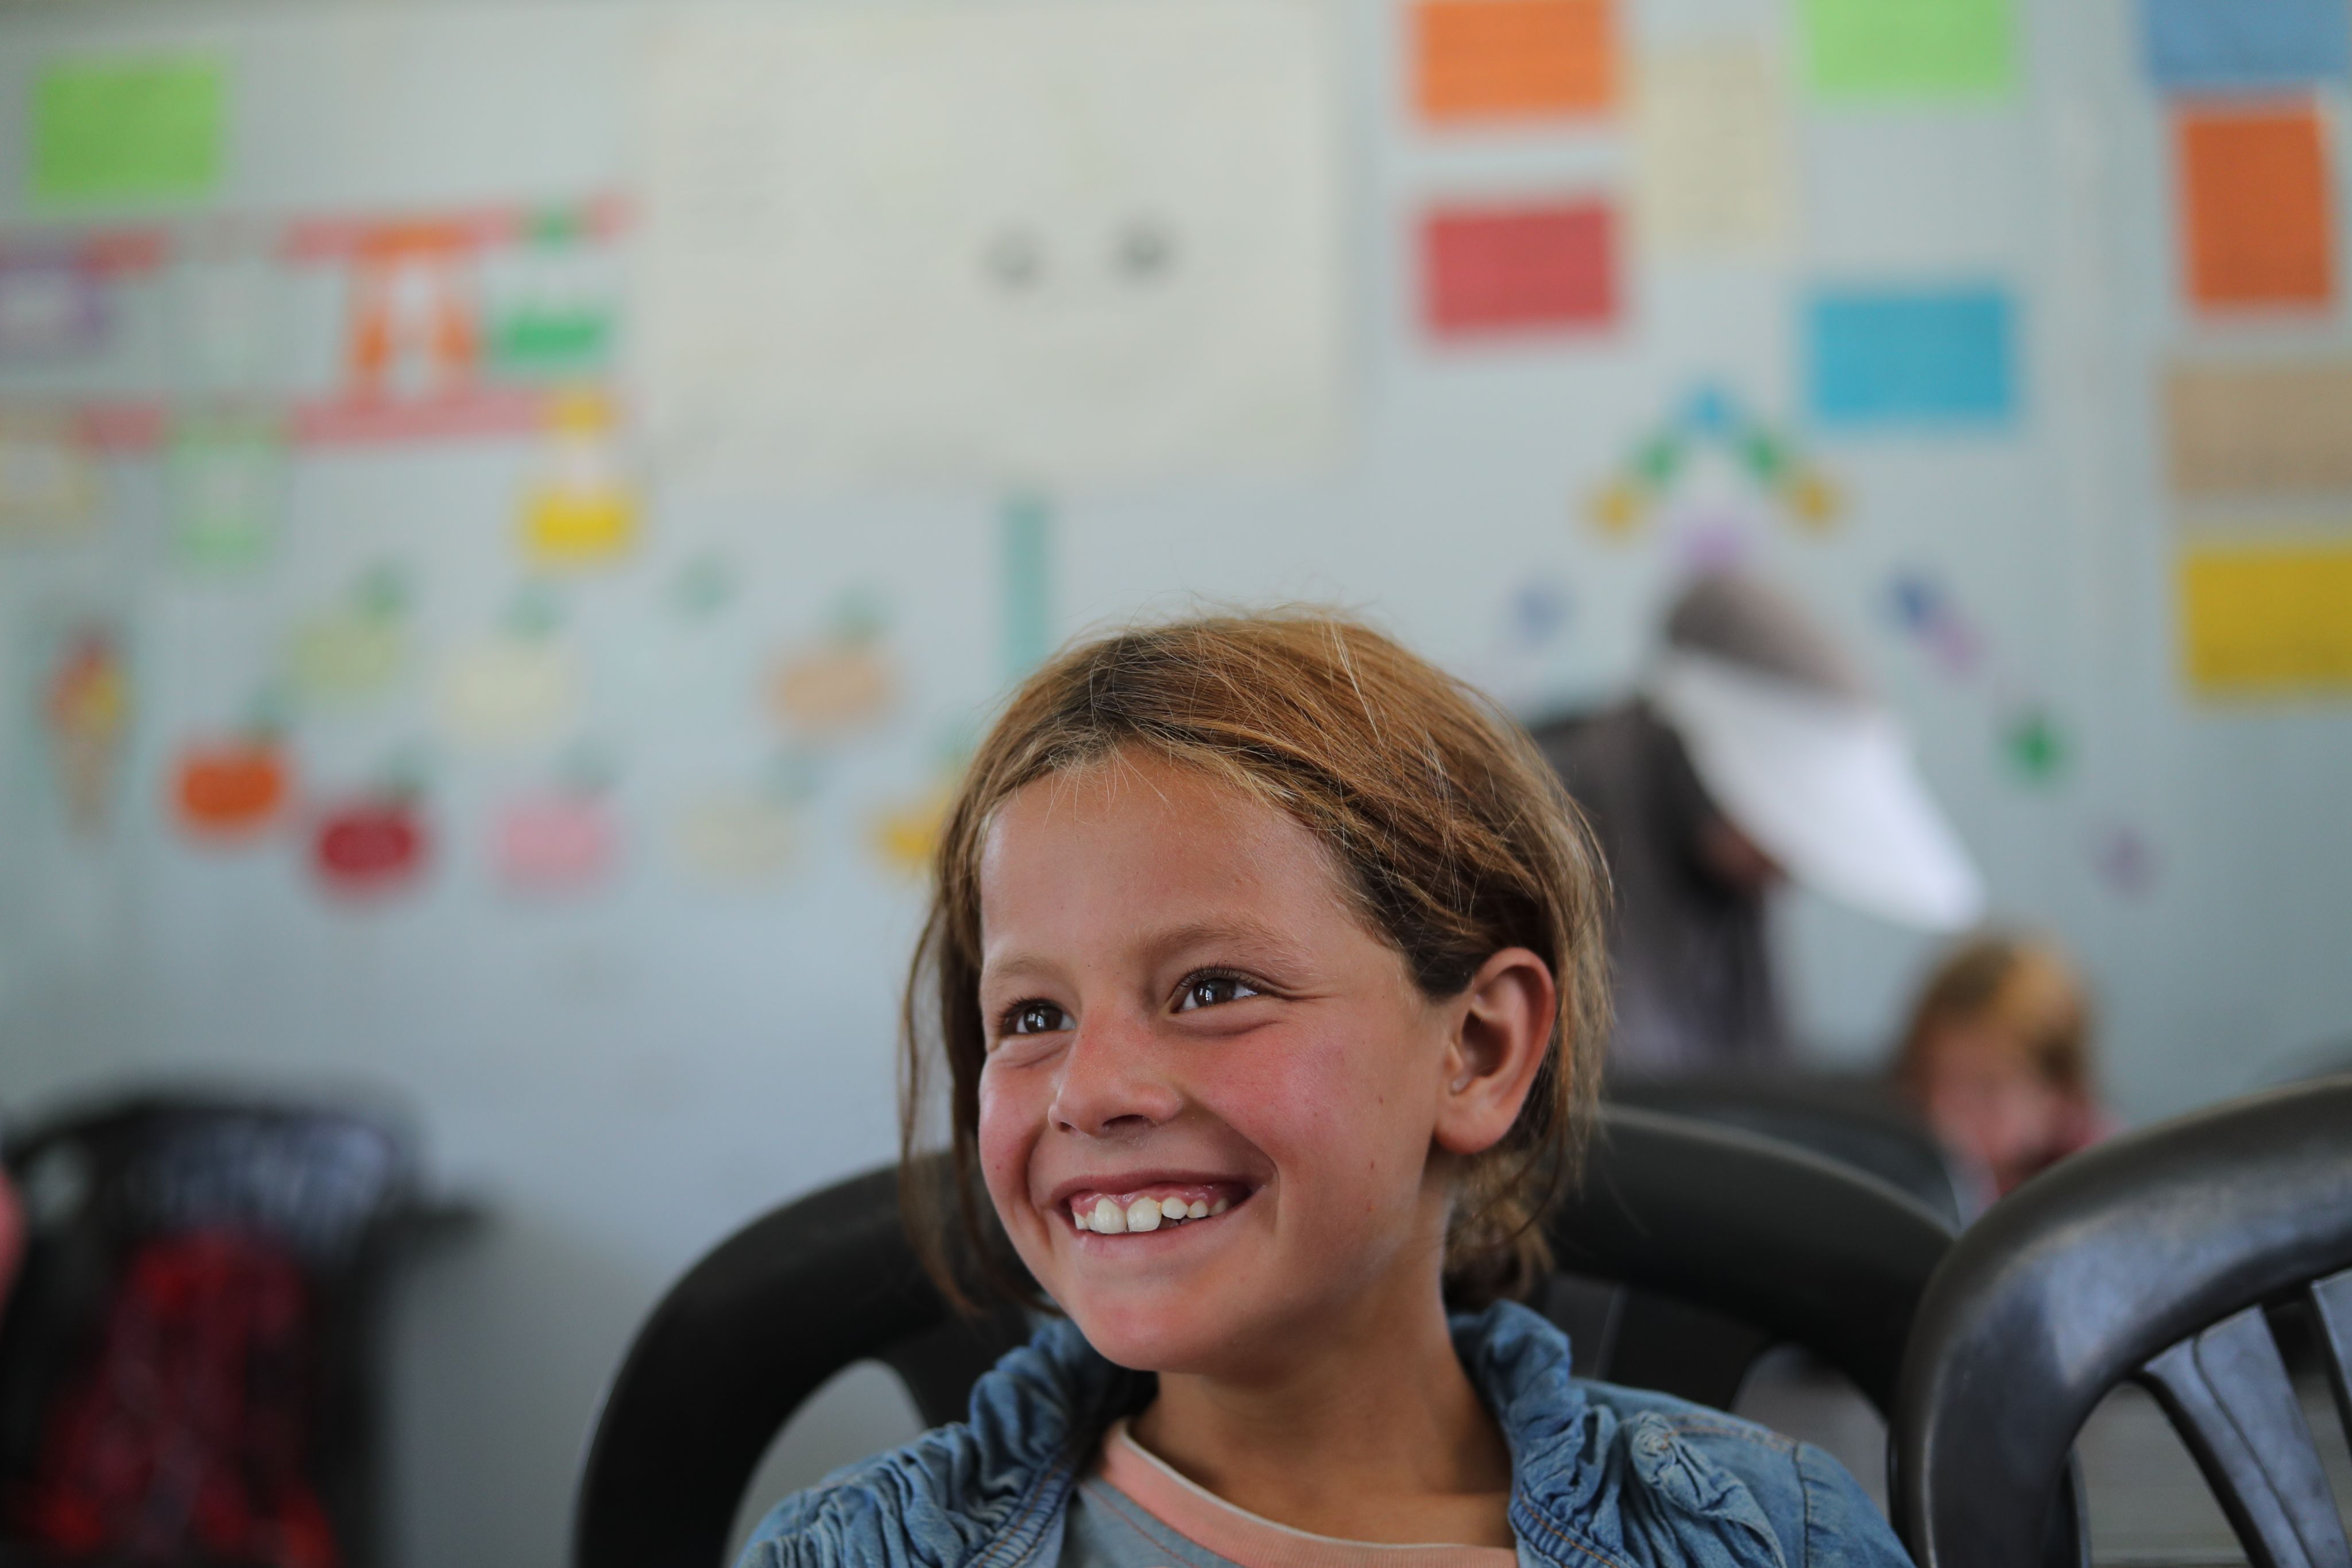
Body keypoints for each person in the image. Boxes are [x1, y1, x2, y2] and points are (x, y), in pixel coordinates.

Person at [738, 613, 1912, 1568]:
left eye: (1211, 989)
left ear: (1480, 1050)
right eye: (1032, 1017)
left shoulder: (1772, 1538)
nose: (1088, 1092)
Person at [1534, 572, 1983, 1077]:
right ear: (1701, 772)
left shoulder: (1723, 891)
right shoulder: (1543, 823)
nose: (1785, 866)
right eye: (1779, 832)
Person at [1893, 934, 2106, 1212]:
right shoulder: (1894, 1160)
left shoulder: (2099, 1198)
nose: (1944, 1112)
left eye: (1986, 1088)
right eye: (1932, 1077)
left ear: (2059, 1095)